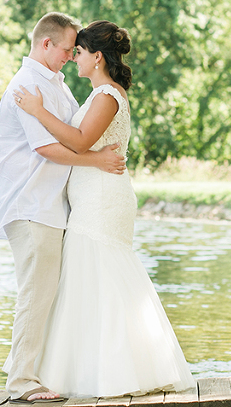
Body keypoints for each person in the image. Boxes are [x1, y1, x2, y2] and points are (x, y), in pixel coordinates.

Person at [11, 20, 195, 398]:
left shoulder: (108, 96)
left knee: (101, 276)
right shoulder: (97, 95)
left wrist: (37, 110)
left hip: (101, 199)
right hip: (91, 197)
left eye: (78, 52)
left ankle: (119, 372)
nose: (73, 58)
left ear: (97, 57)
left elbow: (79, 142)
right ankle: (94, 371)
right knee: (88, 280)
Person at [0, 12, 127, 405]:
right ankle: (21, 383)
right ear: (46, 44)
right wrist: (97, 161)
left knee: (47, 293)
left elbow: (73, 135)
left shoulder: (57, 85)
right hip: (31, 203)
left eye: (75, 51)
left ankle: (33, 374)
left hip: (53, 206)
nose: (71, 55)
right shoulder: (28, 85)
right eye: (67, 49)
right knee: (36, 293)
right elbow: (45, 148)